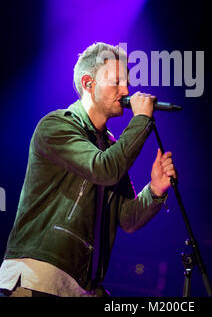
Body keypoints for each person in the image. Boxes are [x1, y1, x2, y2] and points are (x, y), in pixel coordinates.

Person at [0, 42, 176, 297]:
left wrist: (156, 190)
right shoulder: (56, 127)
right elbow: (103, 169)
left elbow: (126, 219)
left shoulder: (110, 146)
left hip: (83, 288)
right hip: (38, 278)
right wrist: (141, 120)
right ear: (88, 83)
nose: (126, 90)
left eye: (126, 82)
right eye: (117, 81)